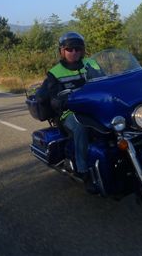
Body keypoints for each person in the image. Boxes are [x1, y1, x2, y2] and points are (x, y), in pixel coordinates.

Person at [36, 31, 102, 193]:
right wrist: (58, 101)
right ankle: (83, 170)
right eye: (69, 49)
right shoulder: (55, 72)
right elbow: (53, 96)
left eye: (77, 49)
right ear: (62, 51)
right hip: (69, 113)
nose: (74, 52)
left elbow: (105, 80)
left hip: (94, 106)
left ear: (82, 50)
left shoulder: (91, 64)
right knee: (81, 127)